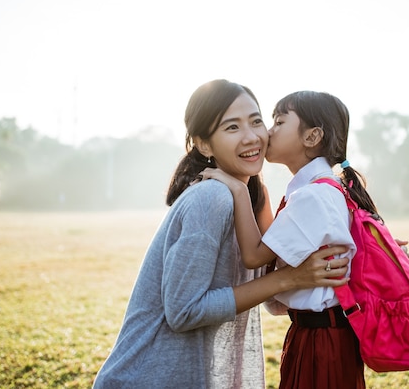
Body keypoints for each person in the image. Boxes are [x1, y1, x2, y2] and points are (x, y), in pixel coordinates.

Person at [92, 80, 350, 389]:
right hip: (150, 376)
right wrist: (291, 278)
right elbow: (184, 312)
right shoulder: (210, 198)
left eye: (257, 121)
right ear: (203, 144)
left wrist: (365, 254)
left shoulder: (254, 195)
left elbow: (275, 300)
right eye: (232, 128)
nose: (252, 136)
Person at [200, 90, 387, 389]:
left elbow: (254, 255)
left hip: (322, 340)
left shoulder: (313, 196)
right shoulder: (318, 189)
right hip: (318, 334)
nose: (268, 132)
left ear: (312, 137)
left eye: (279, 122)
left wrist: (238, 190)